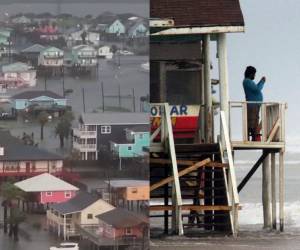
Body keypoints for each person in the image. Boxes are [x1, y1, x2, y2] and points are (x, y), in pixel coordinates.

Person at [243, 66, 266, 141]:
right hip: (252, 105)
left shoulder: (249, 82)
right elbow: (257, 89)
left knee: (255, 121)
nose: (254, 76)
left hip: (255, 105)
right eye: (254, 74)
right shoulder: (247, 81)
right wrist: (262, 82)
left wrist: (261, 82)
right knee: (252, 121)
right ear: (250, 74)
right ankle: (253, 137)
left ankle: (255, 137)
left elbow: (256, 88)